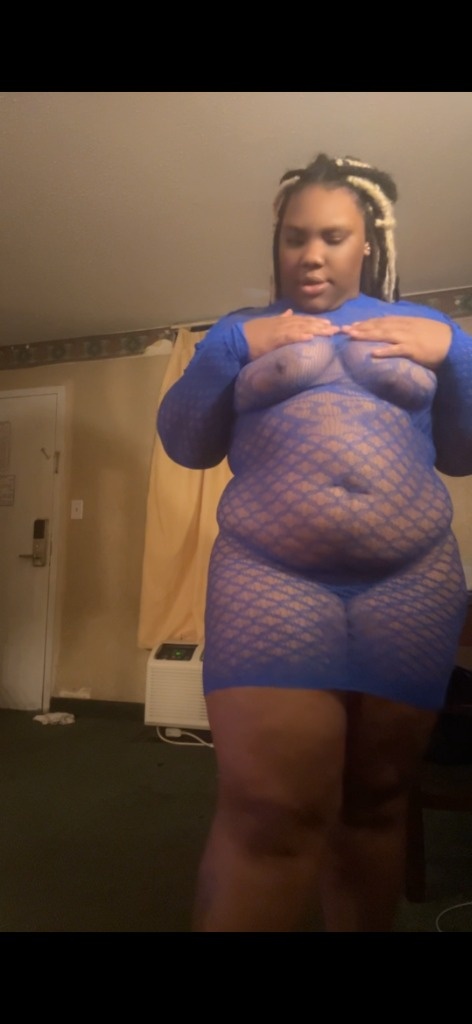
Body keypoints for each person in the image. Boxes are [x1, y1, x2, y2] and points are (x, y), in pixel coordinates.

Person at [157, 152, 472, 932]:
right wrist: (232, 348)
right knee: (269, 812)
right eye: (295, 236)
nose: (311, 254)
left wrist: (460, 355)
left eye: (332, 236)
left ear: (368, 242)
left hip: (412, 588)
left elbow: (464, 454)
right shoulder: (239, 331)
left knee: (377, 803)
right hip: (272, 583)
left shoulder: (427, 327)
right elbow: (186, 444)